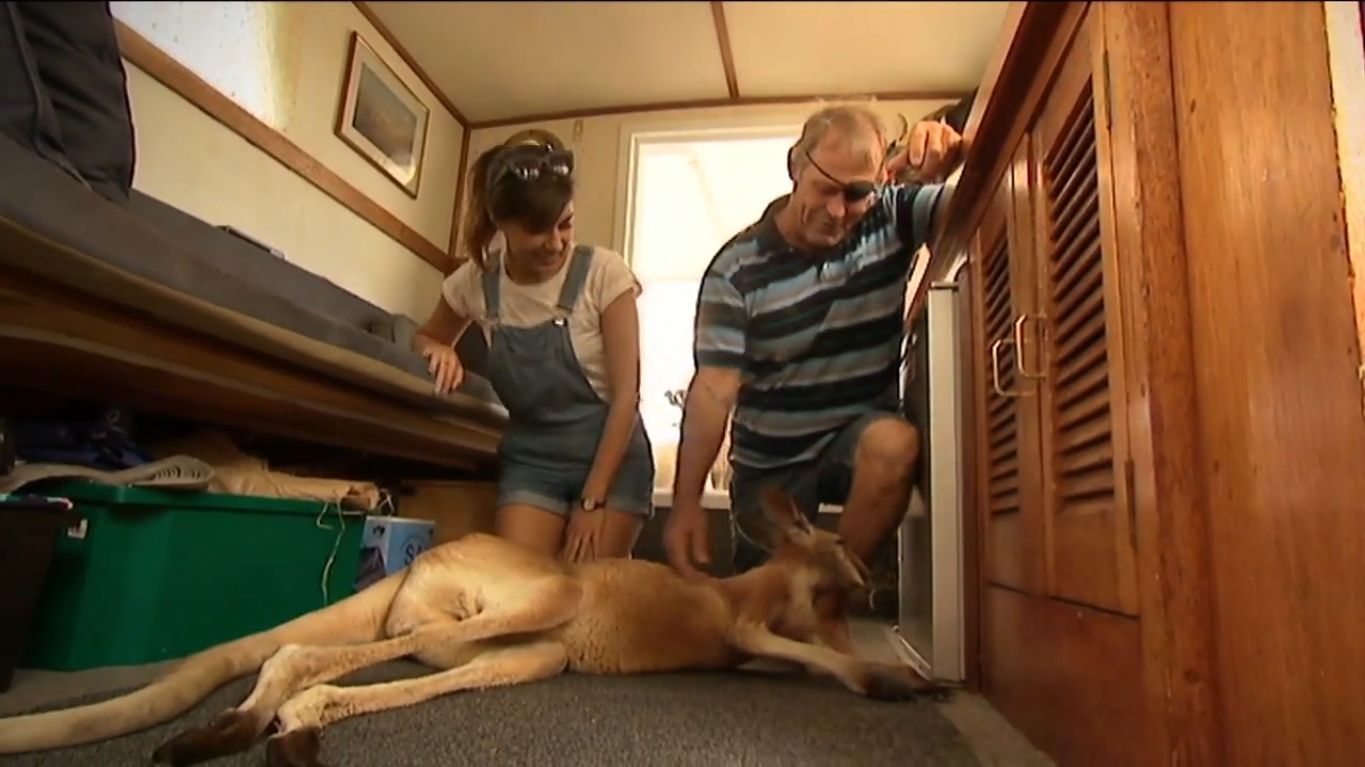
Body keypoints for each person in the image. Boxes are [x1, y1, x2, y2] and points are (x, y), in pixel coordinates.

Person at [662, 102, 965, 633]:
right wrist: (686, 503)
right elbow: (713, 391)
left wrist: (958, 149)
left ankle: (828, 607)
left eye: (856, 193)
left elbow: (993, 193)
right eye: (825, 188)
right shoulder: (735, 271)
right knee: (761, 627)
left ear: (880, 183)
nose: (838, 210)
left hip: (853, 439)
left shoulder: (891, 215)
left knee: (894, 444)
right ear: (795, 166)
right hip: (769, 468)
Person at [412, 132, 655, 563]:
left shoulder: (604, 274)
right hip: (533, 461)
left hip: (612, 461)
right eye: (538, 230)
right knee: (521, 581)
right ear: (501, 223)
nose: (556, 243)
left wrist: (592, 501)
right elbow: (427, 336)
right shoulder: (476, 282)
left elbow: (626, 398)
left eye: (565, 224)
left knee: (582, 588)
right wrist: (439, 348)